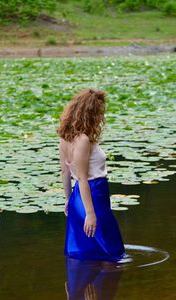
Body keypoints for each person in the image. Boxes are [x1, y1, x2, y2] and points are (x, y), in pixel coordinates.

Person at [56, 88, 127, 262]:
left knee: (87, 248)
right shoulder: (83, 140)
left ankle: (81, 285)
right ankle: (102, 286)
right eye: (99, 113)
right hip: (93, 195)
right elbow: (82, 178)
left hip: (78, 197)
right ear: (89, 113)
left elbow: (65, 172)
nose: (101, 118)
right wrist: (90, 213)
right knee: (112, 249)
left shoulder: (65, 137)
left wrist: (68, 199)